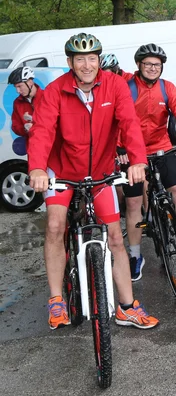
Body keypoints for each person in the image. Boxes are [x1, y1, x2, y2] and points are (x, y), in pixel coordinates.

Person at [28, 33, 158, 329]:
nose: (87, 65)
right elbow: (42, 131)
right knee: (55, 225)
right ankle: (57, 300)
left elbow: (129, 123)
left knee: (115, 237)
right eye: (80, 59)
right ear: (69, 62)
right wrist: (36, 168)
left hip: (100, 173)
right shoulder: (54, 91)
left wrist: (137, 160)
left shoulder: (115, 86)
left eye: (91, 58)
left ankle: (127, 306)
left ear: (99, 60)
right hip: (60, 172)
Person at [118, 43, 176, 281]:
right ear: (139, 65)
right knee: (133, 204)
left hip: (161, 146)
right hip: (132, 153)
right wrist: (119, 146)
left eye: (157, 64)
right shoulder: (128, 88)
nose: (153, 68)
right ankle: (135, 256)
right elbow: (115, 118)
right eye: (148, 64)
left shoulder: (167, 88)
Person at [9, 66, 43, 153]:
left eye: (20, 86)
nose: (18, 91)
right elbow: (15, 126)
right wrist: (24, 128)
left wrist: (35, 122)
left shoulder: (47, 97)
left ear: (30, 82)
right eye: (15, 87)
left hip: (53, 147)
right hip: (33, 148)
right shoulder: (17, 102)